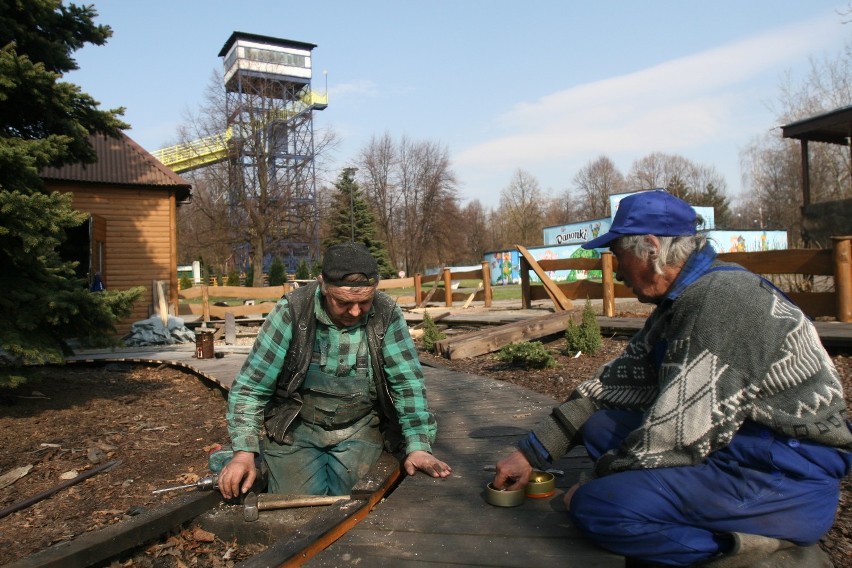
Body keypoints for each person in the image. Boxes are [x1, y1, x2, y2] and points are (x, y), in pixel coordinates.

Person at [493, 190, 852, 567]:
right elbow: (609, 388)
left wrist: (598, 479)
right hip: (738, 442)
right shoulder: (681, 303)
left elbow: (679, 434)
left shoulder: (724, 302)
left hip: (786, 475)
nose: (615, 269)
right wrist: (530, 453)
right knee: (600, 425)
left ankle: (750, 552)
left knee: (598, 506)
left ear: (650, 248)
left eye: (618, 256)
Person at [219, 242, 452, 499]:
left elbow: (407, 383)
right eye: (343, 302)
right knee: (298, 508)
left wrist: (418, 446)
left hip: (361, 428)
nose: (355, 311)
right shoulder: (292, 311)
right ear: (323, 286)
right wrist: (243, 452)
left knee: (355, 504)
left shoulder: (386, 314)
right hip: (296, 429)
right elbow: (252, 386)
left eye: (365, 302)